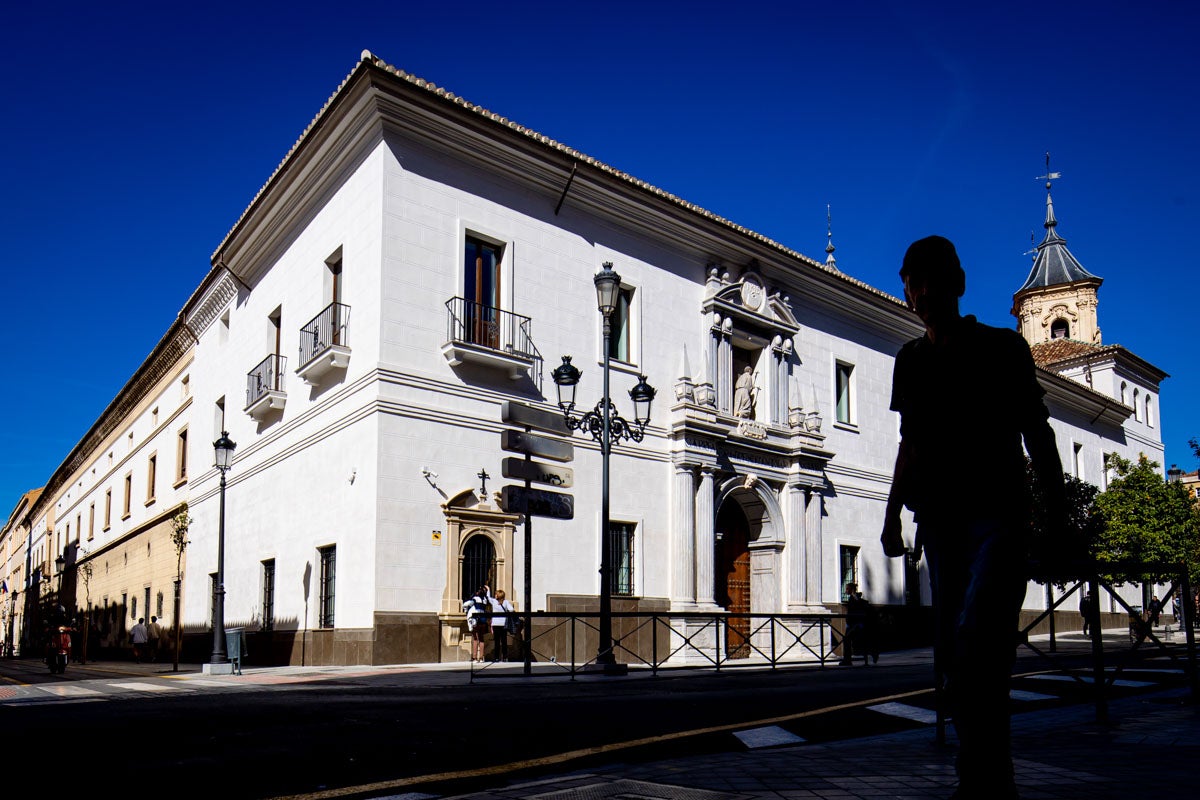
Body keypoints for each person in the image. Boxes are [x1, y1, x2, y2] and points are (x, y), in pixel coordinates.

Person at [880, 235, 1066, 800]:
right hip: (939, 521)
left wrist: (1056, 515)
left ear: (957, 284)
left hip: (999, 516)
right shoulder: (910, 360)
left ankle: (986, 775)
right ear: (907, 291)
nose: (922, 292)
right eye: (914, 282)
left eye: (933, 279)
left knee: (977, 637)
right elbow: (909, 442)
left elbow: (1038, 432)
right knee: (961, 659)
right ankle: (985, 774)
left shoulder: (1002, 348)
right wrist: (891, 514)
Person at [462, 585, 490, 663]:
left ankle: (474, 657)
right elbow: (488, 598)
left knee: (475, 638)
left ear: (478, 592)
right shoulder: (485, 600)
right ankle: (481, 658)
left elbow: (467, 604)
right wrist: (488, 590)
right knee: (481, 639)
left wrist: (465, 608)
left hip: (476, 620)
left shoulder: (475, 599)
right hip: (483, 620)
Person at [490, 589, 514, 662]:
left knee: (496, 641)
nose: (495, 595)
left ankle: (496, 657)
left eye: (496, 594)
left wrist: (488, 589)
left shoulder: (494, 601)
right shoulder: (506, 602)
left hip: (495, 624)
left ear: (498, 595)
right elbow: (511, 609)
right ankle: (505, 657)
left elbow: (488, 598)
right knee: (504, 641)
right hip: (503, 624)